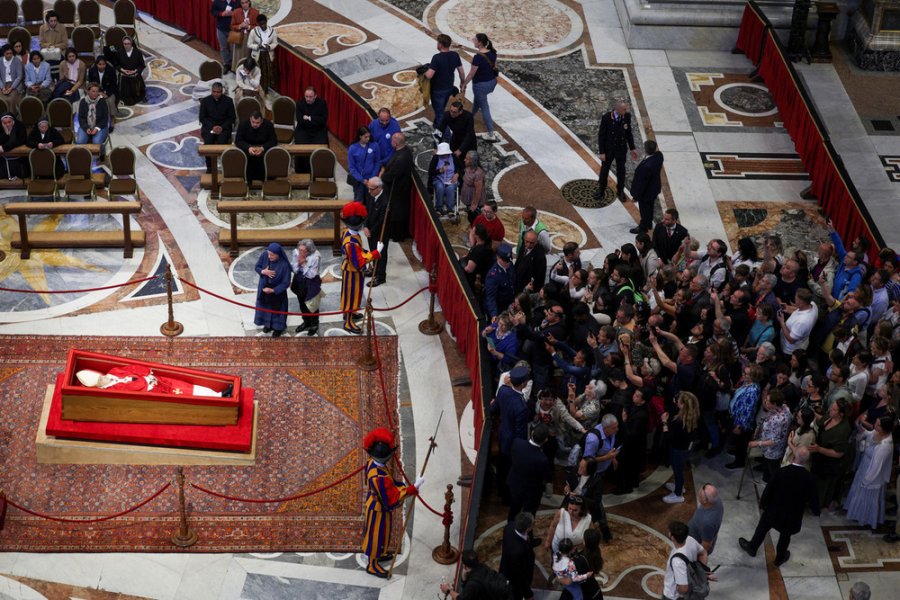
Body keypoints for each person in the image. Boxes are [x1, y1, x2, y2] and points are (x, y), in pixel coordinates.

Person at [739, 446, 821, 567]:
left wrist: (762, 504)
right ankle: (779, 558)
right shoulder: (810, 479)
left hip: (773, 510)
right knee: (785, 537)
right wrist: (816, 511)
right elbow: (813, 498)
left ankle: (752, 547)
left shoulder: (780, 472)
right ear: (807, 461)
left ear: (794, 456)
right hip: (792, 515)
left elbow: (769, 489)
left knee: (762, 528)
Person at [361, 427, 423, 579]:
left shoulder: (371, 463)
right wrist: (413, 488)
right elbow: (393, 497)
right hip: (378, 510)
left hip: (374, 503)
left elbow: (390, 486)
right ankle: (372, 565)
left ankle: (379, 554)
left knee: (381, 534)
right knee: (376, 537)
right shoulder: (380, 478)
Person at [844, 414, 895, 529]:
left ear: (884, 429)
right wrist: (862, 429)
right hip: (865, 466)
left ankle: (865, 518)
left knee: (867, 495)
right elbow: (869, 434)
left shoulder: (885, 446)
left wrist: (867, 480)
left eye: (878, 424)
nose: (874, 425)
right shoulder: (878, 432)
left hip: (872, 473)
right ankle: (856, 512)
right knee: (859, 492)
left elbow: (876, 467)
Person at [339, 201, 383, 334]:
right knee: (351, 296)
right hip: (352, 272)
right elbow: (359, 262)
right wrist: (376, 253)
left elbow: (359, 252)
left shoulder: (347, 232)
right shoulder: (351, 242)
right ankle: (348, 322)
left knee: (355, 294)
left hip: (352, 270)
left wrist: (365, 252)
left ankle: (351, 312)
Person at [491, 365, 531, 502]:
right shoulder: (521, 407)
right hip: (513, 443)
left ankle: (499, 491)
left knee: (502, 466)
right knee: (510, 470)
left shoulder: (503, 390)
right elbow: (520, 433)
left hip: (502, 434)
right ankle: (507, 498)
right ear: (523, 384)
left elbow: (494, 408)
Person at [75, 367, 232, 397]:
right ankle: (219, 399)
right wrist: (147, 381)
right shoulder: (111, 391)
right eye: (100, 381)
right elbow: (133, 390)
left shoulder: (113, 371)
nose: (103, 378)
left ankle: (217, 394)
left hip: (158, 380)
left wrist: (146, 373)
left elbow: (132, 368)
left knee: (186, 385)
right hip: (156, 391)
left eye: (100, 376)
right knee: (186, 394)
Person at [810, 397, 852, 510]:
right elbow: (821, 421)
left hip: (829, 463)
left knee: (822, 486)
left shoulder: (843, 430)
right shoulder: (830, 416)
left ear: (841, 414)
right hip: (818, 457)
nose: (830, 410)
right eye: (831, 407)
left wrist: (819, 449)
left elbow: (838, 453)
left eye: (833, 409)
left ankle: (817, 504)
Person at [506, 423, 552, 521]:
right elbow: (547, 477)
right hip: (531, 491)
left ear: (532, 433)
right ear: (545, 440)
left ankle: (510, 526)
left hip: (514, 484)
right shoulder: (542, 459)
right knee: (529, 514)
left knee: (514, 508)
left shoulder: (517, 443)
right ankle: (527, 530)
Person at [661, 391, 700, 504]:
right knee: (679, 468)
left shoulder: (680, 422)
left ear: (683, 405)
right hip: (686, 447)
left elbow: (669, 437)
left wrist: (664, 423)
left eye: (678, 401)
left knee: (678, 470)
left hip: (678, 448)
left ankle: (678, 494)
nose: (676, 402)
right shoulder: (693, 415)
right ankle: (679, 485)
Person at [595, 100, 638, 202]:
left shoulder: (626, 116)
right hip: (609, 149)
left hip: (621, 149)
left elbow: (628, 133)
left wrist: (632, 148)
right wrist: (602, 152)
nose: (625, 111)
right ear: (617, 109)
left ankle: (620, 191)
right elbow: (601, 136)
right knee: (604, 170)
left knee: (621, 171)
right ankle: (601, 189)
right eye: (624, 109)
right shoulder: (606, 117)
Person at [461, 33, 499, 142]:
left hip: (480, 86)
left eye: (475, 39)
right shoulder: (493, 52)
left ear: (480, 43)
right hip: (492, 83)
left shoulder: (477, 57)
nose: (473, 40)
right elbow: (495, 67)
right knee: (477, 101)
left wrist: (464, 84)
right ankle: (470, 117)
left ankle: (491, 133)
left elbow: (471, 74)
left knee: (484, 108)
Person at [425, 33, 464, 134]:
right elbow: (461, 71)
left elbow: (429, 75)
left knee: (439, 114)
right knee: (441, 109)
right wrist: (462, 83)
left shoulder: (437, 58)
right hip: (449, 88)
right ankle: (436, 125)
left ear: (441, 44)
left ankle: (446, 137)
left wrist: (424, 71)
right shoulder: (455, 55)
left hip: (437, 90)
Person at [664, 520, 711, 600]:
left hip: (673, 596)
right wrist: (700, 573)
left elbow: (684, 588)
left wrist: (678, 591)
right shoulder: (690, 540)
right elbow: (703, 553)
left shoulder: (677, 561)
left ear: (672, 537)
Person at [381, 132, 414, 242]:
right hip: (399, 188)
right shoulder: (405, 151)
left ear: (396, 143)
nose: (391, 142)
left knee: (397, 214)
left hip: (398, 190)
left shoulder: (402, 158)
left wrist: (383, 176)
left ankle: (397, 235)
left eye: (392, 140)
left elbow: (392, 174)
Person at [253, 242, 291, 337]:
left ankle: (278, 329)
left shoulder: (284, 265)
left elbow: (286, 283)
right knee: (265, 308)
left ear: (278, 254)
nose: (269, 256)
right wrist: (263, 271)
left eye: (272, 255)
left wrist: (273, 290)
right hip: (264, 289)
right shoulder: (265, 255)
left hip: (277, 293)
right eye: (269, 254)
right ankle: (267, 325)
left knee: (278, 311)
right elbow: (257, 267)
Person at [439, 549, 507, 600]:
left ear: (465, 566)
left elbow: (461, 598)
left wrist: (448, 590)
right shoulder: (483, 566)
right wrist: (464, 578)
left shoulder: (473, 584)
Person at [199, 83, 236, 174]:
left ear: (222, 91)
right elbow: (202, 118)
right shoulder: (205, 101)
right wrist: (213, 127)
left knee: (222, 142)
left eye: (218, 92)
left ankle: (224, 166)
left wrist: (222, 127)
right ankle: (210, 167)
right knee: (208, 143)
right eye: (214, 92)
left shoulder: (228, 101)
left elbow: (232, 118)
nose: (216, 94)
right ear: (211, 91)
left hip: (224, 127)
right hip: (209, 127)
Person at [500, 512, 538, 600]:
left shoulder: (509, 526)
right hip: (514, 581)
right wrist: (528, 594)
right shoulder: (519, 552)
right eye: (533, 523)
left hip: (506, 566)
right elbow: (520, 576)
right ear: (528, 528)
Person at [630, 139, 664, 234]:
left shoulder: (646, 167)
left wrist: (636, 197)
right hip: (654, 188)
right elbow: (657, 152)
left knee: (644, 210)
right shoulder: (659, 156)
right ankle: (649, 223)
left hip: (646, 192)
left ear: (645, 149)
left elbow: (642, 184)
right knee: (650, 207)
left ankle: (643, 227)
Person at [291, 239, 323, 337]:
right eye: (299, 249)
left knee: (312, 304)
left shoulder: (315, 257)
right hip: (299, 280)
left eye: (302, 250)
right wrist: (298, 263)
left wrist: (304, 264)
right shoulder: (296, 252)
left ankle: (314, 324)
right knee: (302, 302)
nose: (299, 251)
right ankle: (306, 322)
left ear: (308, 251)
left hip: (311, 282)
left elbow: (312, 274)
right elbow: (294, 269)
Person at [293, 86, 328, 173]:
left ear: (315, 96)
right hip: (303, 130)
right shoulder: (300, 103)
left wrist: (309, 118)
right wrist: (315, 120)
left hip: (318, 130)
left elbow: (323, 120)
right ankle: (302, 171)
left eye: (310, 97)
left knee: (320, 148)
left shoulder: (322, 103)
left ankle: (319, 170)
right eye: (306, 96)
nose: (308, 99)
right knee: (300, 146)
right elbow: (300, 120)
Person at [235, 110, 277, 183]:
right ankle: (248, 182)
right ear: (250, 119)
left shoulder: (268, 125)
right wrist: (248, 148)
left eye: (257, 123)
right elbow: (238, 140)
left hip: (263, 150)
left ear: (262, 121)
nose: (255, 124)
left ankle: (265, 181)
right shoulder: (243, 124)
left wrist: (262, 148)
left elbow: (273, 140)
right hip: (248, 150)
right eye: (253, 122)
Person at [363, 177, 389, 287]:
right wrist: (365, 226)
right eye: (368, 188)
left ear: (379, 188)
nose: (369, 191)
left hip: (380, 233)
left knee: (380, 255)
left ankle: (380, 276)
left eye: (371, 189)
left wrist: (371, 231)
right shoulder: (371, 195)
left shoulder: (385, 201)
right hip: (370, 231)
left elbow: (382, 221)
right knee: (373, 251)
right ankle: (374, 269)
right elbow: (366, 211)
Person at [76, 83, 110, 160]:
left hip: (100, 127)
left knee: (96, 142)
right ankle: (83, 158)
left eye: (97, 91)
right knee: (80, 142)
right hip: (86, 126)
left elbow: (105, 119)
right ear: (88, 91)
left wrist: (97, 128)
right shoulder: (83, 102)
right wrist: (86, 128)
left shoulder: (102, 102)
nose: (95, 93)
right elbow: (81, 118)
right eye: (93, 91)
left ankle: (101, 154)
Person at [687, 483, 724, 555]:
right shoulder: (716, 501)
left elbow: (706, 545)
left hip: (695, 545)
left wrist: (696, 556)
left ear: (705, 500)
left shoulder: (707, 523)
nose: (700, 488)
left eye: (702, 489)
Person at [247, 14, 276, 99]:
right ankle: (257, 91)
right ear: (258, 24)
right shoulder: (253, 32)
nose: (263, 26)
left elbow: (275, 43)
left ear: (266, 22)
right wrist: (257, 46)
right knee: (258, 74)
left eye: (264, 23)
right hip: (257, 56)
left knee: (266, 73)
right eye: (261, 24)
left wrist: (269, 47)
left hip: (267, 55)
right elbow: (249, 44)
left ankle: (265, 91)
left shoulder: (272, 31)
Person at [349, 127, 381, 202]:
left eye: (369, 136)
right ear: (360, 136)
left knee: (371, 202)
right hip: (359, 181)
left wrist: (371, 178)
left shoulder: (374, 145)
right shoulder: (353, 148)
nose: (368, 139)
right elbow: (352, 167)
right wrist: (362, 180)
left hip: (371, 181)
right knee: (359, 202)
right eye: (365, 137)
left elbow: (377, 162)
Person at [485, 243, 516, 320]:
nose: (508, 263)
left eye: (509, 261)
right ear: (498, 257)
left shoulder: (510, 264)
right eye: (505, 261)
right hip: (500, 309)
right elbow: (491, 297)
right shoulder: (493, 276)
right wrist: (494, 315)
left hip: (511, 303)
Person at [87, 56, 119, 131]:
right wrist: (98, 92)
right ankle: (93, 120)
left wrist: (107, 93)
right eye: (100, 64)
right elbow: (91, 83)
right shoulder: (92, 70)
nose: (102, 66)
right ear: (96, 64)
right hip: (96, 91)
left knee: (110, 100)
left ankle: (112, 119)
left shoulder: (111, 70)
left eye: (103, 64)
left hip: (109, 91)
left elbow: (114, 85)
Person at [428, 141, 457, 216]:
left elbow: (460, 168)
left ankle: (450, 209)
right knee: (440, 187)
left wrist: (457, 174)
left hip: (451, 179)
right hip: (439, 179)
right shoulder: (436, 158)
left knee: (450, 188)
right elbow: (430, 172)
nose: (444, 155)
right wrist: (440, 171)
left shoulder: (453, 157)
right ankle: (439, 208)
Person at [229, 0, 259, 72]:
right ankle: (237, 70)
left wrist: (248, 27)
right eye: (242, 3)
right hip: (239, 37)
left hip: (250, 37)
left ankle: (247, 70)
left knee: (248, 55)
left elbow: (258, 27)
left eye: (246, 2)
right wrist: (239, 26)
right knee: (238, 56)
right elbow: (232, 26)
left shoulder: (255, 12)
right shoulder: (236, 12)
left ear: (249, 2)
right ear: (240, 4)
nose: (244, 4)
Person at [116, 37, 146, 106]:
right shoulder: (119, 52)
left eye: (128, 43)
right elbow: (116, 64)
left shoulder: (138, 52)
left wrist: (135, 71)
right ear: (123, 44)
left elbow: (142, 65)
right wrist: (123, 70)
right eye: (125, 44)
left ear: (131, 43)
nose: (126, 45)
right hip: (124, 78)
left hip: (135, 77)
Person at [515, 230, 547, 294]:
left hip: (526, 287)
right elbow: (518, 260)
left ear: (536, 242)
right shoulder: (524, 245)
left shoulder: (540, 256)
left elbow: (540, 277)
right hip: (517, 281)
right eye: (527, 241)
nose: (528, 245)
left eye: (532, 243)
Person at [460, 150, 487, 225]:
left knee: (474, 217)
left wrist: (474, 204)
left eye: (467, 159)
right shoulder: (467, 167)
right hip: (468, 195)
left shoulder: (478, 173)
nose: (464, 160)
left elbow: (478, 190)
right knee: (469, 211)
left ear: (472, 161)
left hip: (474, 197)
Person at [211, 0, 237, 73]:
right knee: (223, 48)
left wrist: (233, 13)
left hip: (232, 30)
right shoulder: (217, 1)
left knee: (233, 48)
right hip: (221, 29)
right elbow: (213, 12)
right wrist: (221, 13)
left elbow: (242, 12)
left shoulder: (237, 1)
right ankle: (226, 64)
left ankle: (233, 65)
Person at [0, 112, 27, 179]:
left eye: (9, 122)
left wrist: (5, 147)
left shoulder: (20, 126)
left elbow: (21, 141)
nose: (7, 124)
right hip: (4, 158)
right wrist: (6, 133)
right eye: (5, 123)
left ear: (13, 121)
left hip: (18, 158)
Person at [0, 44, 23, 113]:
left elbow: (19, 76)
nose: (9, 55)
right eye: (7, 53)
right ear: (3, 53)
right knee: (1, 99)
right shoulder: (0, 61)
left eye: (11, 53)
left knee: (11, 99)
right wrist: (2, 88)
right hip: (3, 84)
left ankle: (12, 116)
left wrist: (11, 88)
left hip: (15, 85)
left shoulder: (17, 60)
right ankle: (3, 117)